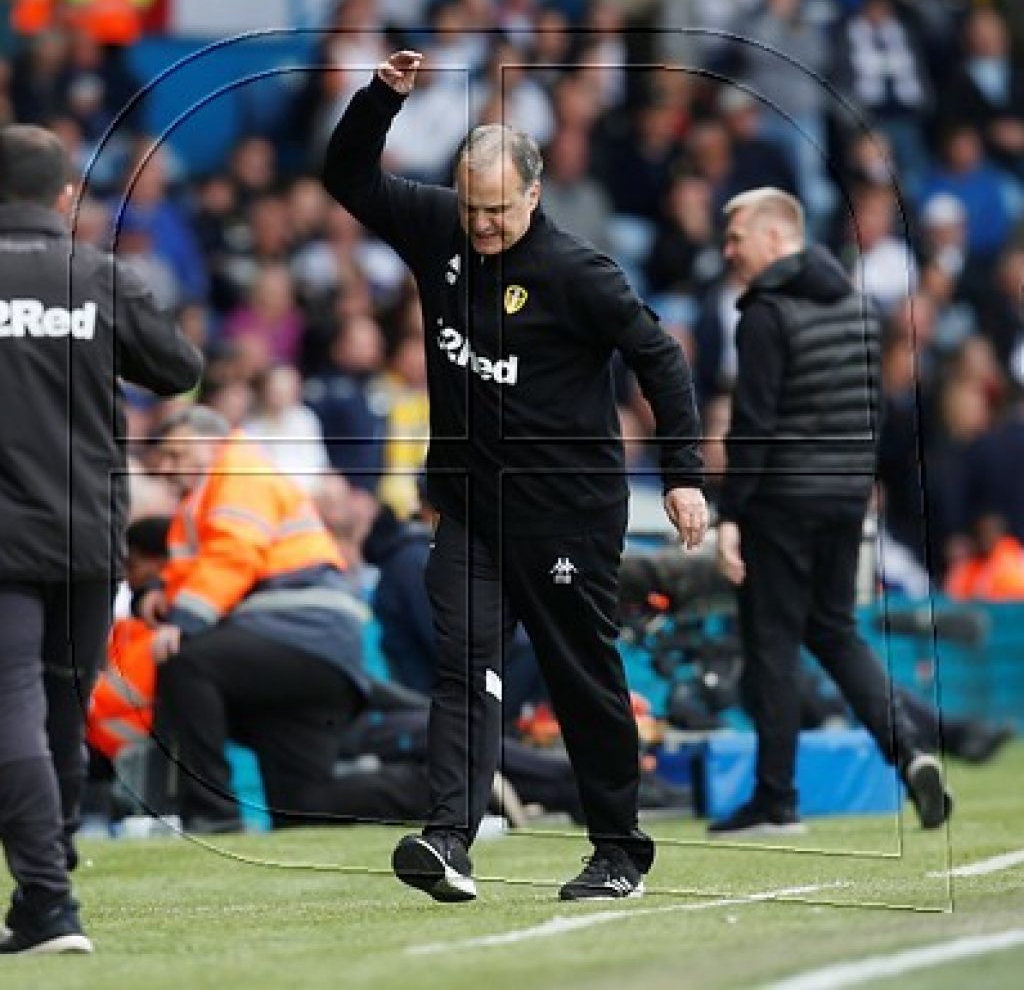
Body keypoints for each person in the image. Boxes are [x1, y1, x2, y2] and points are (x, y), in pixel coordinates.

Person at [322, 50, 707, 903]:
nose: (484, 224)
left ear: (533, 196)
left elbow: (661, 358)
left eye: (498, 209)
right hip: (469, 509)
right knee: (463, 666)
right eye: (472, 206)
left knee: (582, 678)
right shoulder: (439, 230)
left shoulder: (580, 274)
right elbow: (344, 173)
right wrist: (381, 100)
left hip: (568, 513)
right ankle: (449, 840)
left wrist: (682, 473)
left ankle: (618, 853)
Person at [0, 124, 203, 954]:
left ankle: (48, 900)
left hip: (5, 540)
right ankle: (53, 871)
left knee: (11, 703)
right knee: (58, 704)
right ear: (63, 197)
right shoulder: (99, 276)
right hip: (89, 537)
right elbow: (180, 368)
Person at [712, 187, 951, 835]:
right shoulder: (860, 304)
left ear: (774, 236)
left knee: (774, 647)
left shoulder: (763, 313)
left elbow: (753, 425)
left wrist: (730, 514)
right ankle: (912, 753)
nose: (727, 250)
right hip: (846, 497)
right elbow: (876, 413)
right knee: (837, 631)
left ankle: (776, 800)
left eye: (736, 237)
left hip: (780, 503)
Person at [140, 406, 371, 833]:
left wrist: (182, 619)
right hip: (315, 642)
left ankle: (213, 814)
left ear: (212, 441)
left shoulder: (238, 472)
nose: (170, 469)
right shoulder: (219, 488)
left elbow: (233, 556)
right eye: (164, 460)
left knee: (185, 663)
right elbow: (207, 565)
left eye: (177, 454)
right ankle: (441, 790)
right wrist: (160, 596)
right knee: (305, 805)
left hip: (297, 627)